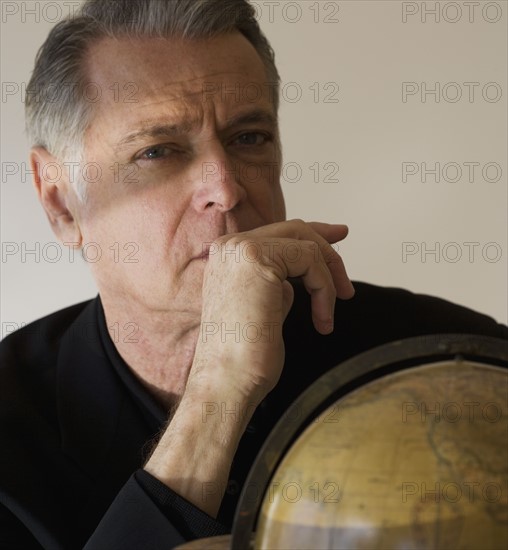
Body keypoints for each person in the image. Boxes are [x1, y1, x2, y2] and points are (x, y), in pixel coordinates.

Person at [1, 1, 506, 548]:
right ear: (61, 203)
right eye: (158, 151)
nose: (226, 187)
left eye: (249, 138)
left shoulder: (455, 362)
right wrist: (219, 391)